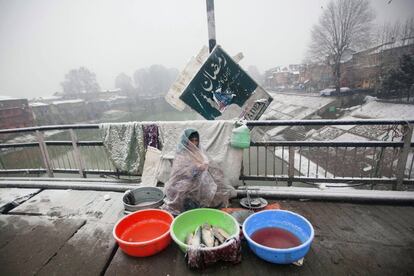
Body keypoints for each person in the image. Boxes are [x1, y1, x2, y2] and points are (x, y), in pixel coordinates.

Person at [162, 128, 235, 215]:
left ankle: (205, 205)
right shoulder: (181, 152)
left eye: (196, 140)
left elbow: (209, 162)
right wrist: (195, 168)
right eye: (191, 140)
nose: (194, 143)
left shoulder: (199, 150)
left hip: (201, 176)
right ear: (186, 141)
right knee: (184, 188)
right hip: (185, 179)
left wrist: (208, 167)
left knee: (217, 182)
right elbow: (180, 171)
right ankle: (190, 207)